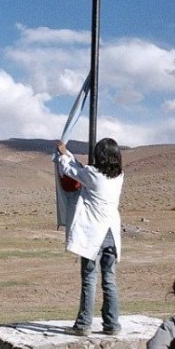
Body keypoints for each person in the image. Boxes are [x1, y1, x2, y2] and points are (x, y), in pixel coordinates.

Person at [56, 138, 124, 336]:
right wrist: (68, 155)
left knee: (89, 278)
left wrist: (62, 156)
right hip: (112, 234)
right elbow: (81, 168)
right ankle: (112, 324)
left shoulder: (93, 174)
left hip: (95, 235)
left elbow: (71, 170)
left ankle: (84, 323)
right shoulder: (119, 175)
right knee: (109, 279)